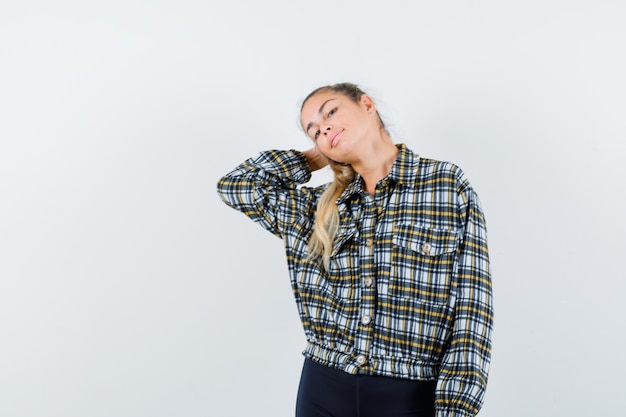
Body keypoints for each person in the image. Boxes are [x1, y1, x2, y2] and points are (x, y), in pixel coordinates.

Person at [217, 82, 493, 417]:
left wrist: (456, 409)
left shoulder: (445, 185)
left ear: (366, 104)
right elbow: (236, 186)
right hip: (323, 387)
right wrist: (314, 157)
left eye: (331, 112)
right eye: (314, 131)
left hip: (410, 393)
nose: (325, 128)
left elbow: (472, 308)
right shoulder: (316, 208)